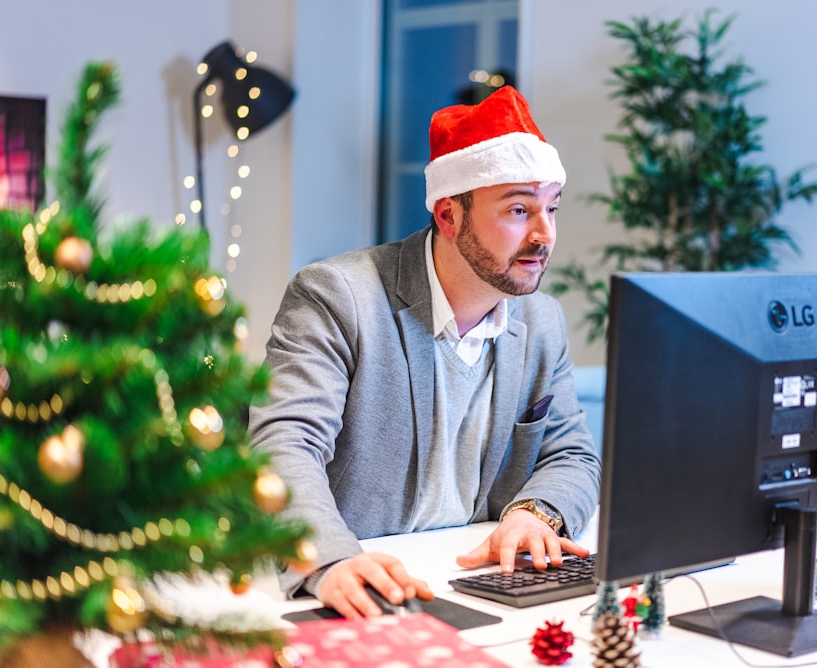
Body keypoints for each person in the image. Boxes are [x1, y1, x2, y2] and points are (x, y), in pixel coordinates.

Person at [248, 86, 601, 619]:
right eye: (518, 210)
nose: (543, 234)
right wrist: (328, 561)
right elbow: (283, 445)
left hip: (475, 581)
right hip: (360, 581)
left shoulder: (540, 320)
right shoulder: (338, 294)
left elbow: (571, 455)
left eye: (551, 208)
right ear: (449, 215)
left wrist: (536, 514)